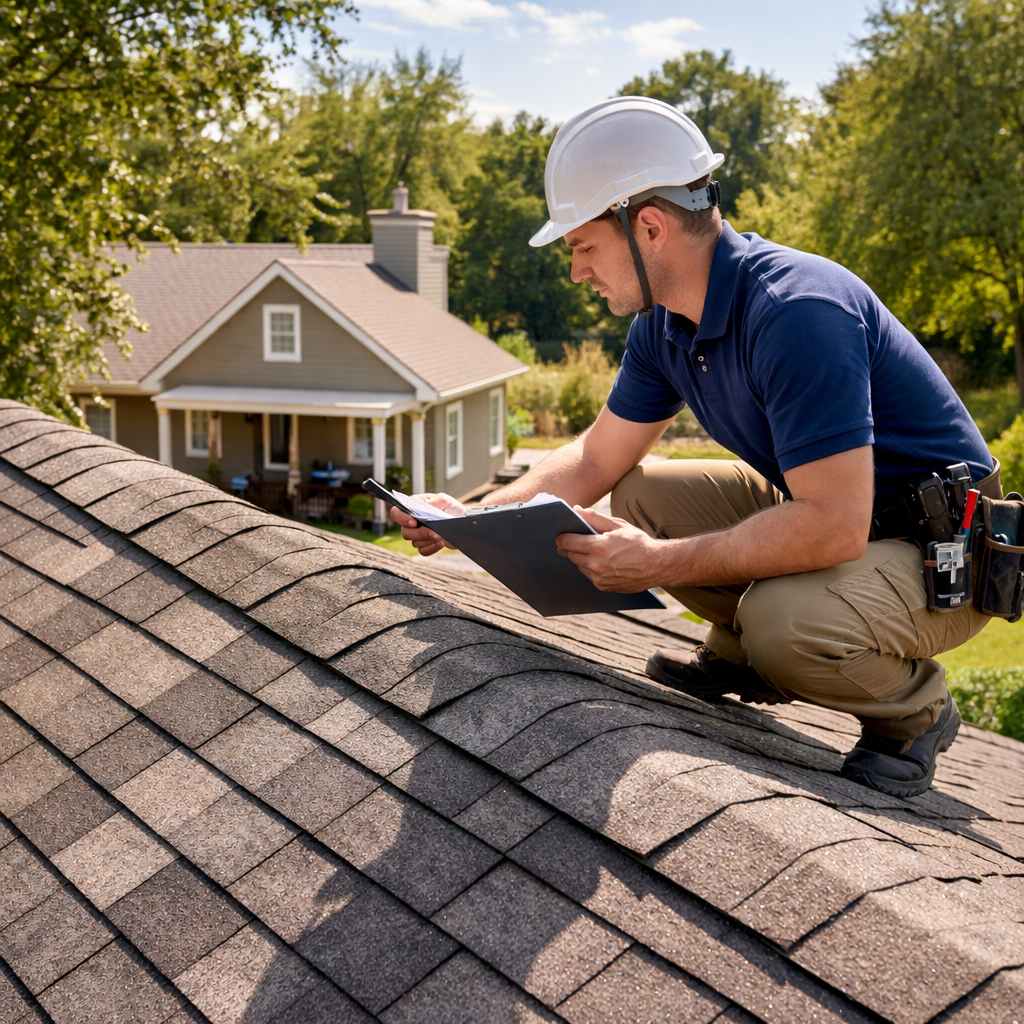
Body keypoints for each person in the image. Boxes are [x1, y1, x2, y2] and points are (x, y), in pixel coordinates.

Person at [391, 96, 1000, 798]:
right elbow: (594, 458)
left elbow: (831, 524)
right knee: (643, 493)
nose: (576, 272)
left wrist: (656, 563)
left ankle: (917, 712)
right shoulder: (665, 325)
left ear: (647, 227)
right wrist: (468, 521)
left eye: (582, 246)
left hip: (940, 553)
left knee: (785, 626)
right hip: (845, 519)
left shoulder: (798, 313)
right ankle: (740, 654)